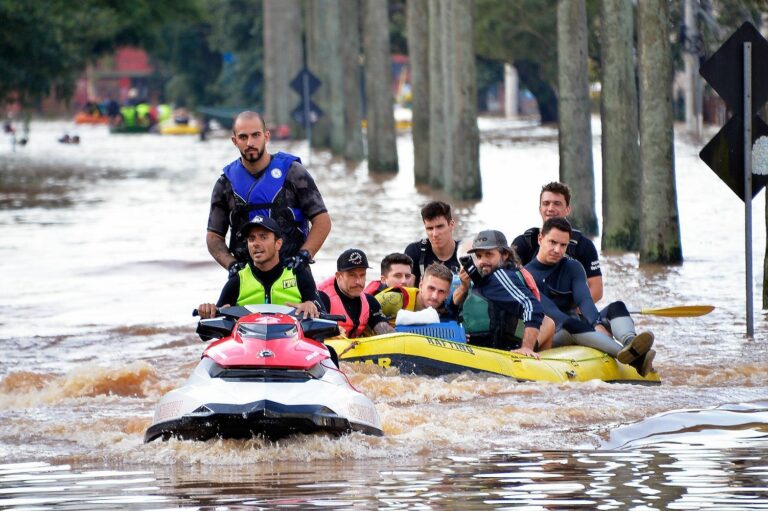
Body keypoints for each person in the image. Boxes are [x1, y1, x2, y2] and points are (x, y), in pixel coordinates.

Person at [207, 111, 332, 278]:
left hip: (293, 274)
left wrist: (303, 257)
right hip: (246, 278)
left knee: (315, 305)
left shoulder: (294, 173)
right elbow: (214, 237)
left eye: (256, 135)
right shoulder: (225, 184)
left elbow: (322, 222)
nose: (250, 142)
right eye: (243, 137)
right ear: (234, 141)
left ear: (266, 136)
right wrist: (232, 265)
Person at [525, 217, 656, 376]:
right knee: (570, 323)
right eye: (552, 242)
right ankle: (636, 360)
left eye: (563, 245)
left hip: (580, 327)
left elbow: (584, 300)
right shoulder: (526, 276)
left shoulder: (573, 267)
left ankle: (631, 344)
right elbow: (555, 314)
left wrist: (596, 323)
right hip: (554, 332)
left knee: (617, 306)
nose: (558, 250)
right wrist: (593, 327)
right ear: (540, 238)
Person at [197, 216, 321, 320]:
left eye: (263, 237)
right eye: (251, 239)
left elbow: (325, 318)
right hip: (250, 347)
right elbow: (206, 334)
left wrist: (311, 306)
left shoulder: (298, 274)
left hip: (289, 345)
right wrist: (207, 313)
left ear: (278, 243)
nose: (255, 243)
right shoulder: (238, 280)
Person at [453, 230, 544, 357]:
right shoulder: (482, 277)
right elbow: (453, 304)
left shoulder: (502, 276)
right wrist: (464, 286)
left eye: (489, 254)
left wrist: (527, 348)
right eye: (479, 256)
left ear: (505, 254)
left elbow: (532, 306)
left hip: (500, 353)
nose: (482, 261)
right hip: (477, 351)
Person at [512, 181, 603, 302]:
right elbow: (510, 285)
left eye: (557, 204)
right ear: (540, 209)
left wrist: (572, 312)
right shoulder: (523, 243)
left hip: (572, 309)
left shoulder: (583, 245)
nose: (550, 208)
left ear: (567, 209)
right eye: (546, 203)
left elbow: (597, 290)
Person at [318, 249, 394, 338]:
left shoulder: (370, 301)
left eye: (362, 275)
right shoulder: (321, 298)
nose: (359, 282)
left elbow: (385, 331)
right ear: (339, 276)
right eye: (352, 275)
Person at [376, 262, 458, 322]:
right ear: (421, 285)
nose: (434, 296)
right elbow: (365, 309)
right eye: (431, 288)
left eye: (441, 291)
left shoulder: (446, 315)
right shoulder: (395, 299)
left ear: (447, 294)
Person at [404, 201, 461, 286]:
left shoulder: (465, 252)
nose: (435, 234)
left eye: (440, 227)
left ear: (451, 224)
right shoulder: (414, 251)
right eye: (430, 228)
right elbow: (405, 288)